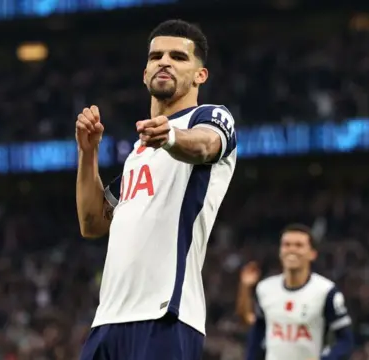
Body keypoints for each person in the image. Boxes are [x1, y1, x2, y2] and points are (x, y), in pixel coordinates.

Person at [75, 19, 237, 360]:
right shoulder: (137, 154)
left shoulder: (208, 117)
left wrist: (171, 137)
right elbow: (92, 223)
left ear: (199, 75)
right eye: (156, 56)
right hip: (108, 319)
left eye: (178, 56)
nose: (164, 61)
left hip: (165, 315)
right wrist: (88, 153)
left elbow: (206, 145)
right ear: (145, 72)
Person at [237, 224, 354, 360]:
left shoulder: (326, 291)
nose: (292, 249)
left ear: (312, 254)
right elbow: (256, 333)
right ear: (280, 251)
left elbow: (346, 341)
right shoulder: (265, 288)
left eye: (299, 245)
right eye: (286, 245)